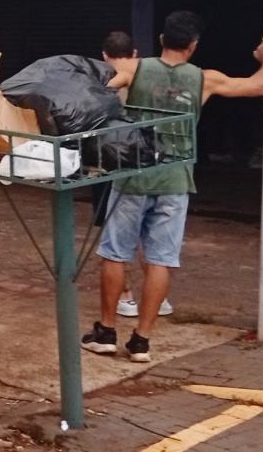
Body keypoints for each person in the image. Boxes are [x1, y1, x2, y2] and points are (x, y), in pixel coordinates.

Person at [82, 11, 263, 363]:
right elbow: (257, 85)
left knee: (114, 252)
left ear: (161, 40)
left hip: (133, 177)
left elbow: (95, 93)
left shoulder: (135, 70)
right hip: (175, 180)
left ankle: (107, 332)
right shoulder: (206, 79)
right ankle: (141, 341)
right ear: (193, 46)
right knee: (160, 259)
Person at [94, 31, 175, 320]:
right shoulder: (148, 74)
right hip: (149, 157)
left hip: (114, 162)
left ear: (104, 55)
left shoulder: (107, 79)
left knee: (115, 240)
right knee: (151, 238)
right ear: (135, 52)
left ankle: (125, 297)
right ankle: (158, 299)